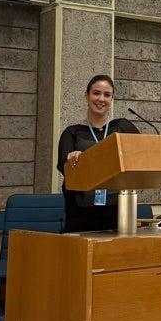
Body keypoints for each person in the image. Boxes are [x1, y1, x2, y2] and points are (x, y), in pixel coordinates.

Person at [57, 74, 139, 232]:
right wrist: (72, 160)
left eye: (107, 95)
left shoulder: (122, 127)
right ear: (86, 96)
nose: (101, 99)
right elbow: (64, 167)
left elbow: (144, 153)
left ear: (112, 99)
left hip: (119, 211)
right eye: (96, 93)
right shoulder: (72, 133)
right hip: (81, 213)